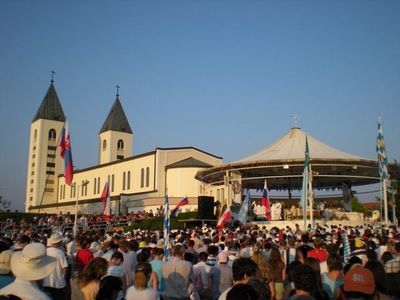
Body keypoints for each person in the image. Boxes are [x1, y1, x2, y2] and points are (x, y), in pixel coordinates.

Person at [42, 233, 69, 300]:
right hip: (58, 284)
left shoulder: (43, 252)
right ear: (57, 242)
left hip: (45, 283)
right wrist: (63, 278)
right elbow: (65, 268)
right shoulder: (59, 252)